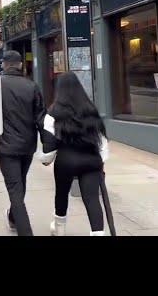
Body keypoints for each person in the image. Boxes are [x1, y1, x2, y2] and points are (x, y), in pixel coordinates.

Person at [37, 71, 109, 236]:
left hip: (66, 161)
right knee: (92, 199)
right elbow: (102, 140)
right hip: (91, 160)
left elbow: (50, 145)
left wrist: (45, 159)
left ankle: (59, 229)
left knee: (61, 195)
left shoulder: (53, 113)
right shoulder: (90, 109)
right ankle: (98, 233)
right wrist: (102, 162)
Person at [0, 50, 46, 236]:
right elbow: (41, 117)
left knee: (15, 189)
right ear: (20, 65)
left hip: (6, 147)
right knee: (20, 184)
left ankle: (25, 231)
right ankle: (13, 218)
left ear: (4, 65)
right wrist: (49, 145)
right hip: (27, 146)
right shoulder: (32, 86)